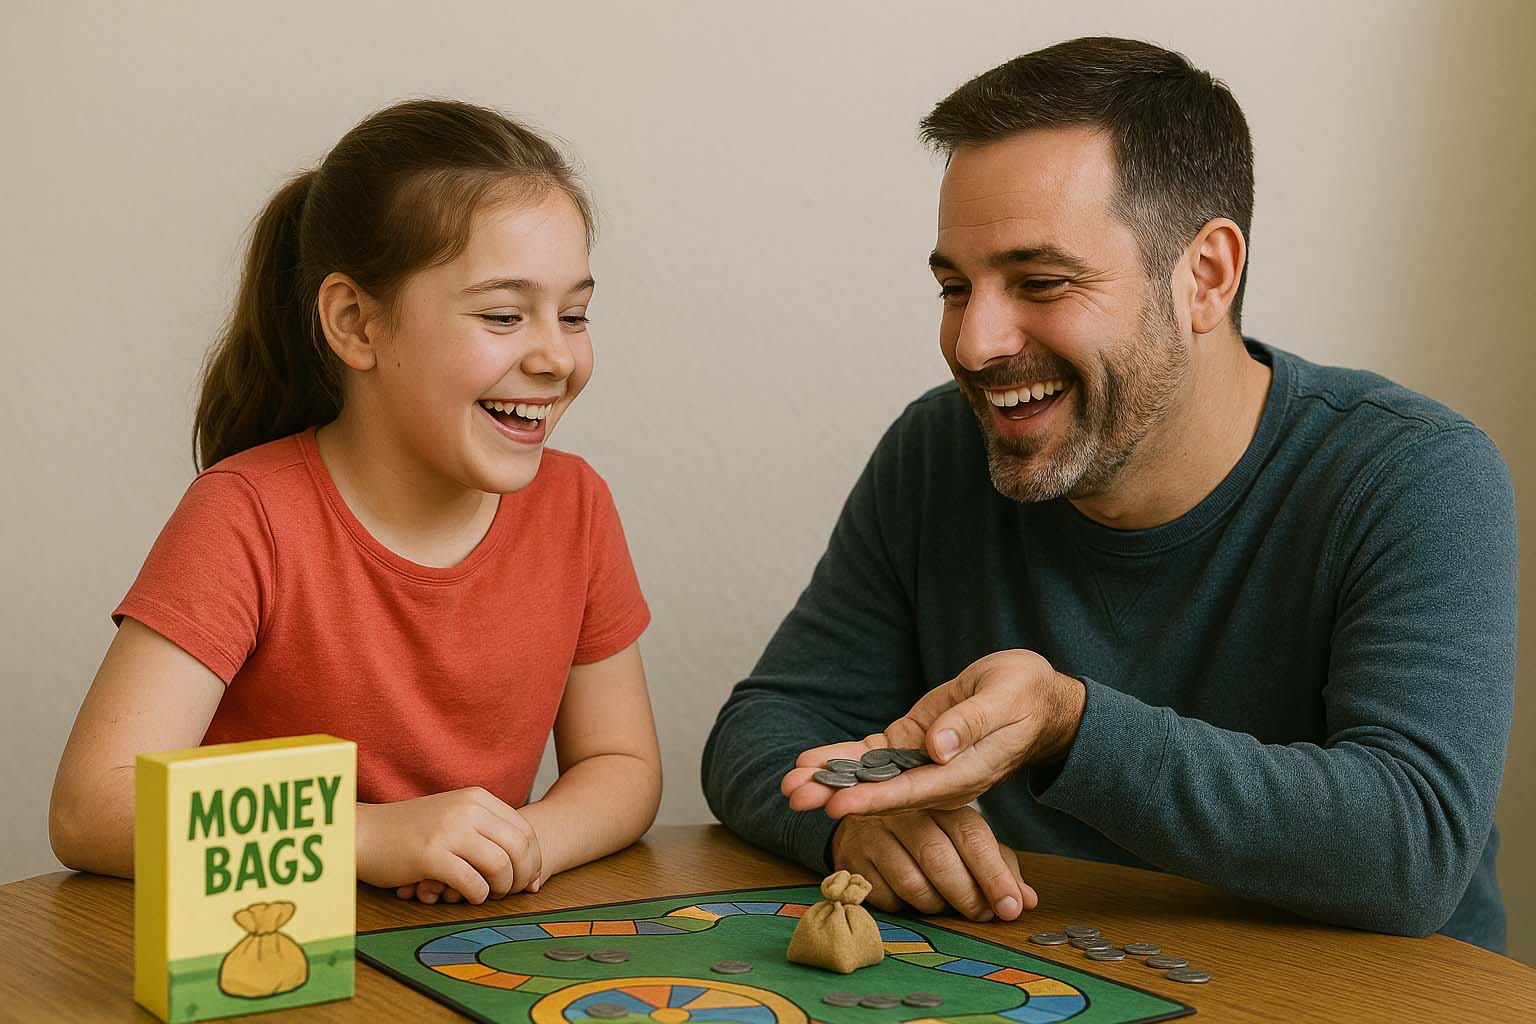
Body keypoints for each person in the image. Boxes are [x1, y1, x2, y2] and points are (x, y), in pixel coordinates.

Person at [702, 37, 1517, 952]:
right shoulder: (937, 450)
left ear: (1205, 275)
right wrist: (851, 823)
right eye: (954, 287)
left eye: (1040, 281)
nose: (975, 343)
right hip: (1036, 981)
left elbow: (1414, 850)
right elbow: (761, 730)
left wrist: (1069, 725)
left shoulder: (1414, 474)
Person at [49, 99, 661, 906]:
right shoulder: (245, 515)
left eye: (574, 314)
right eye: (505, 315)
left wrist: (518, 845)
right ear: (355, 323)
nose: (557, 356)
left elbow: (623, 765)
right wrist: (368, 838)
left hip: (455, 949)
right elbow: (92, 804)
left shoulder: (576, 507)